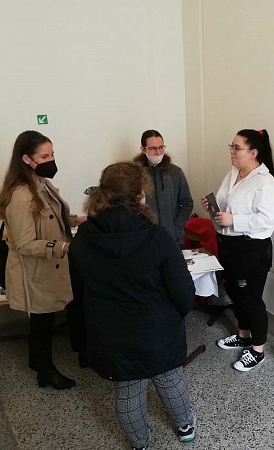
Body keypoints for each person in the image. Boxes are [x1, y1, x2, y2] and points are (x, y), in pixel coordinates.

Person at [70, 162, 197, 449]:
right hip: (157, 331)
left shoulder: (82, 241)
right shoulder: (158, 237)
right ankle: (185, 427)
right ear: (141, 196)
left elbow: (79, 293)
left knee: (127, 391)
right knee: (170, 380)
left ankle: (140, 444)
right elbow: (184, 294)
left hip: (111, 334)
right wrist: (174, 316)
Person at [0, 130, 86, 390]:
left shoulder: (42, 183)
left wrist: (75, 220)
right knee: (42, 320)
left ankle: (43, 360)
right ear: (26, 159)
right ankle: (44, 370)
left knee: (54, 313)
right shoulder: (20, 196)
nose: (51, 160)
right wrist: (63, 247)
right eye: (44, 156)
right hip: (35, 269)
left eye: (53, 154)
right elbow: (25, 244)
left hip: (52, 262)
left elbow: (51, 217)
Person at [201, 128, 274, 372]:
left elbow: (266, 222)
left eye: (237, 148)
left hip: (251, 250)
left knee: (251, 299)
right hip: (229, 245)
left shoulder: (266, 183)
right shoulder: (233, 173)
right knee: (235, 293)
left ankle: (258, 350)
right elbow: (225, 206)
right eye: (232, 146)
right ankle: (243, 335)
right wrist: (212, 207)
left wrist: (233, 220)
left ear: (254, 152)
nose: (232, 152)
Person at [133, 129, 193, 247]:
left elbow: (187, 203)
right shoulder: (134, 174)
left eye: (161, 147)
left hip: (172, 239)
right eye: (152, 148)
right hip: (144, 240)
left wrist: (177, 227)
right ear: (143, 149)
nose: (158, 152)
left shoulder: (175, 172)